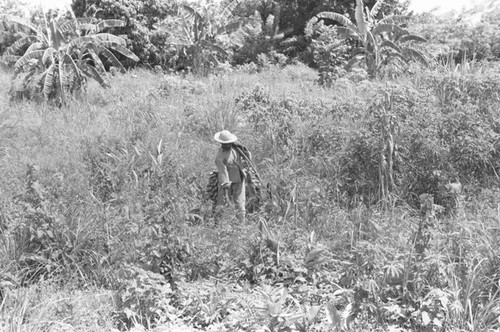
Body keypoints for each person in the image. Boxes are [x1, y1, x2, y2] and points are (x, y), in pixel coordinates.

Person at [213, 130, 250, 221]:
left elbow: (247, 158)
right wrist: (226, 187)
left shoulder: (236, 149)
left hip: (239, 179)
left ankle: (241, 225)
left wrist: (244, 149)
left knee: (240, 205)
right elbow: (223, 172)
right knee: (222, 205)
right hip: (226, 183)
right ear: (221, 143)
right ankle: (218, 224)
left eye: (229, 143)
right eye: (225, 144)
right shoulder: (219, 157)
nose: (227, 145)